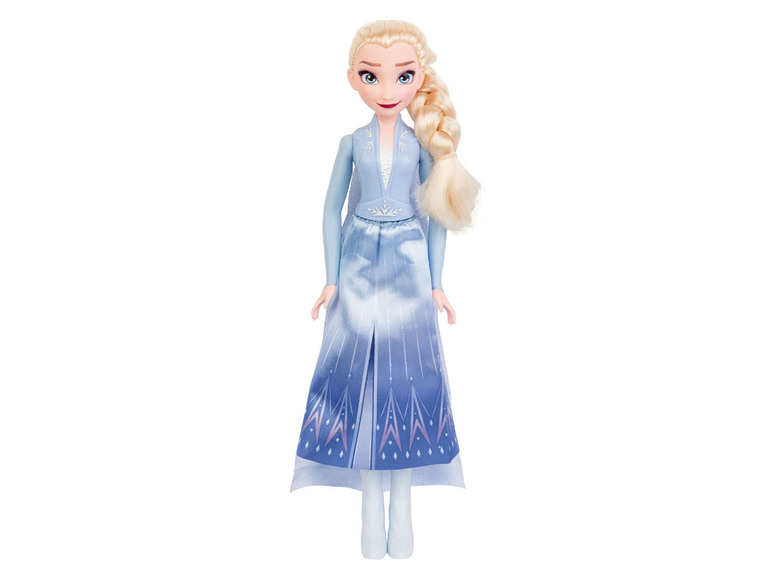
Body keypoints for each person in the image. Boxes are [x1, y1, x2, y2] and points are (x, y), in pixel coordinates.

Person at [290, 20, 480, 559]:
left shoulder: (423, 145)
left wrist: (437, 284)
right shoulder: (352, 143)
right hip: (356, 263)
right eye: (372, 76)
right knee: (358, 377)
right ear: (354, 78)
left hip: (408, 262)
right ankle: (370, 511)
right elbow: (331, 209)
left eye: (404, 76)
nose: (388, 89)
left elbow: (437, 216)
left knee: (408, 379)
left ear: (420, 78)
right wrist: (330, 277)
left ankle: (404, 511)